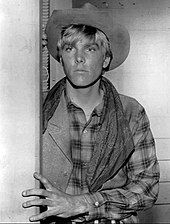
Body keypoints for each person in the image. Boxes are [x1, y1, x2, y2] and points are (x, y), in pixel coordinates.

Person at [22, 3, 160, 224]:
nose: (79, 58)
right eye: (70, 49)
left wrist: (85, 203)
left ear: (105, 59)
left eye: (90, 49)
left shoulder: (131, 112)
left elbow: (147, 187)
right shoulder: (35, 111)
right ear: (60, 57)